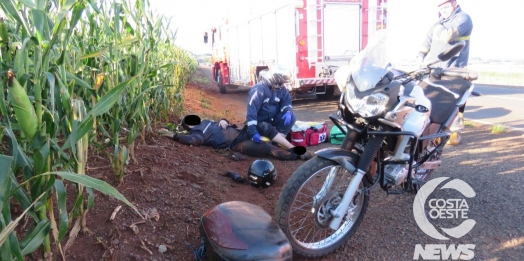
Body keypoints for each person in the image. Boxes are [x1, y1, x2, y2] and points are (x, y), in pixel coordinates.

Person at [417, 0, 473, 145]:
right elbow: (426, 43)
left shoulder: (463, 18)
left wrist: (438, 27)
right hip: (435, 69)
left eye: (447, 6)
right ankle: (432, 134)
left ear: (454, 4)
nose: (444, 10)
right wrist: (420, 57)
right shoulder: (438, 24)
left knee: (452, 103)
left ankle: (453, 134)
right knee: (432, 101)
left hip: (453, 70)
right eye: (442, 8)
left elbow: (448, 35)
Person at [159, 116, 312, 161]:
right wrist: (174, 135)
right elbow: (192, 141)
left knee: (261, 125)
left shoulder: (206, 122)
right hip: (236, 144)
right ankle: (296, 155)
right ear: (190, 126)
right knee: (265, 149)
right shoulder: (197, 134)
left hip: (240, 132)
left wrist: (224, 119)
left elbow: (222, 120)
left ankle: (290, 146)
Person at [246, 65, 296, 144]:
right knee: (264, 126)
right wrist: (253, 132)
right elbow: (251, 112)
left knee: (292, 117)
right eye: (281, 82)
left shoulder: (281, 89)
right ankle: (270, 139)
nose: (283, 85)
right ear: (276, 80)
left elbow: (287, 101)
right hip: (260, 122)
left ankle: (278, 142)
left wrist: (288, 111)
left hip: (272, 119)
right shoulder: (259, 90)